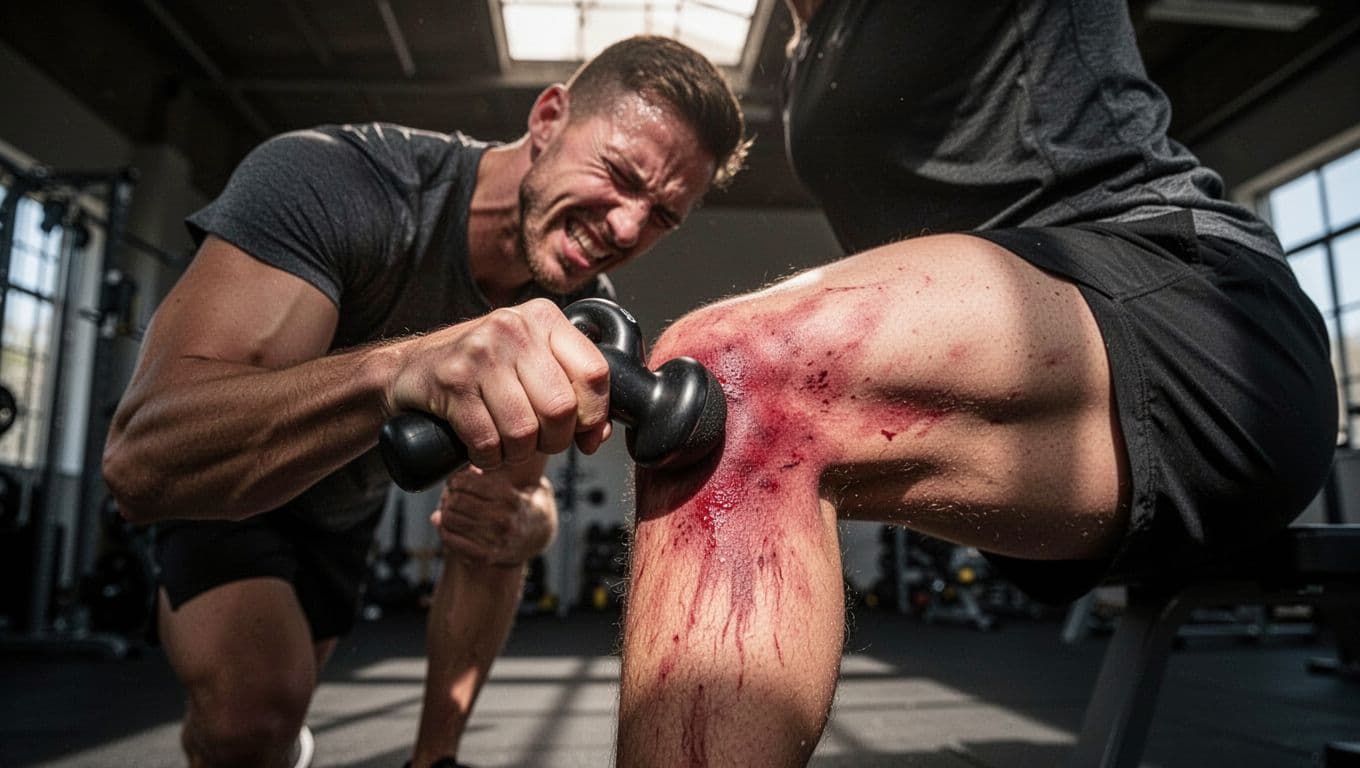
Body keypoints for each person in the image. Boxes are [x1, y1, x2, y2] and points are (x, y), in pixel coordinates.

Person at [614, 1, 1337, 764]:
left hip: (1198, 324)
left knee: (728, 381)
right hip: (1042, 381)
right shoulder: (802, 59)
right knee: (716, 415)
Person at [100, 35, 747, 768]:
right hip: (231, 479)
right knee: (254, 716)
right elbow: (141, 463)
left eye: (662, 215)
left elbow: (500, 506)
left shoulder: (577, 308)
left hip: (343, 511)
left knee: (480, 541)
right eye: (620, 174)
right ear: (548, 118)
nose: (628, 228)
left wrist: (528, 523)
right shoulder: (343, 183)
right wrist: (402, 369)